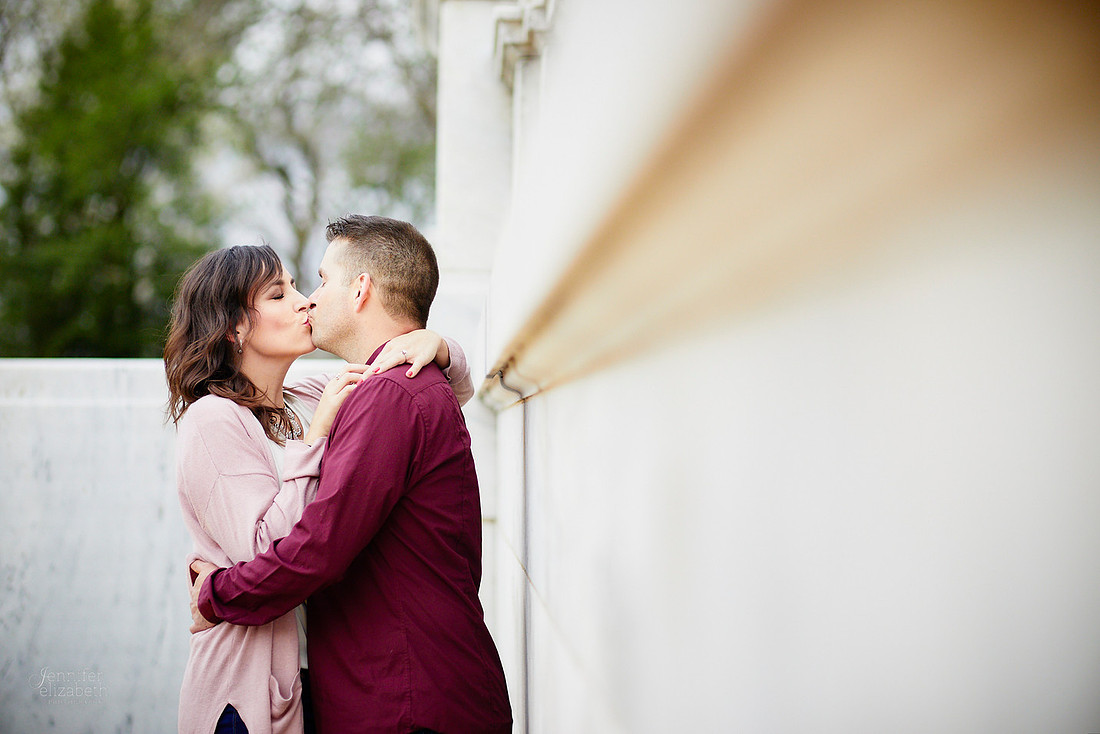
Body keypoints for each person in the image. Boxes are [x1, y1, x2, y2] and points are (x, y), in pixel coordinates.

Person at [189, 216, 512, 734]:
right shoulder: (338, 396)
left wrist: (216, 595)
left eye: (317, 281)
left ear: (361, 289)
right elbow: (280, 543)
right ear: (236, 327)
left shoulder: (372, 392)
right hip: (336, 687)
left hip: (406, 698)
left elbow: (317, 548)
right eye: (283, 292)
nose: (308, 300)